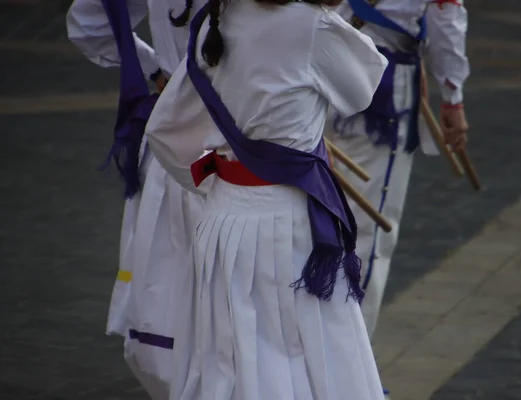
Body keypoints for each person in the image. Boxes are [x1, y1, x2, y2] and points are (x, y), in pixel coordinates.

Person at [145, 0, 390, 398]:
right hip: (287, 219)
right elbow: (362, 87)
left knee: (225, 361)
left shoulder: (215, 17)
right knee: (300, 357)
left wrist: (220, 183)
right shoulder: (312, 24)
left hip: (222, 217)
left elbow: (165, 132)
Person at [66, 1, 207, 398]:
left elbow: (88, 24)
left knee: (168, 320)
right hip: (247, 161)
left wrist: (161, 72)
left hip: (173, 142)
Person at [328, 0, 470, 343]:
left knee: (323, 218)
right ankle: (347, 370)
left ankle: (314, 360)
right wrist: (453, 98)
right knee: (366, 235)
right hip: (383, 80)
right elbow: (444, 14)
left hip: (323, 66)